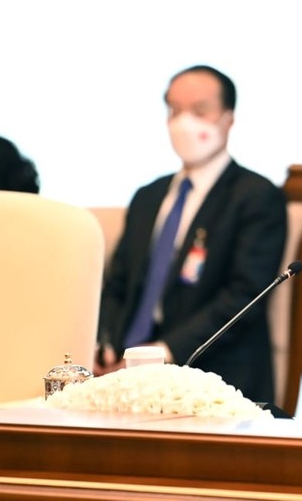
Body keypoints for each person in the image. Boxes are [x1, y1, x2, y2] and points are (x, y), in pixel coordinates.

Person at [95, 65, 287, 403]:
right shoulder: (148, 196)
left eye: (200, 110)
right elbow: (117, 284)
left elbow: (244, 298)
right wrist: (107, 343)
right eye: (175, 110)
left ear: (228, 118)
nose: (185, 122)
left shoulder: (255, 196)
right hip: (125, 375)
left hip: (212, 376)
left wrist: (162, 353)